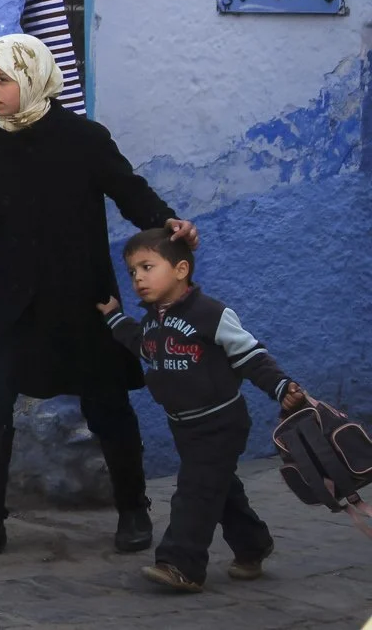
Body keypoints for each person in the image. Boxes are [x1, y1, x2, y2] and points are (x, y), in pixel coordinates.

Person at [0, 34, 199, 556]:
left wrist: (165, 223)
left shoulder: (83, 138)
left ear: (33, 79)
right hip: (14, 299)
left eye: (2, 79)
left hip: (80, 295)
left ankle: (134, 510)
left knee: (105, 402)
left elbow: (128, 189)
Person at [100, 229, 304, 592]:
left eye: (147, 267)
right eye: (132, 272)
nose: (138, 278)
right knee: (219, 490)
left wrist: (280, 387)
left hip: (221, 423)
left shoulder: (212, 314)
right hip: (184, 427)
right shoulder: (151, 321)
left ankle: (181, 564)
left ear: (180, 270)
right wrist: (115, 318)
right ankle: (253, 544)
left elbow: (250, 355)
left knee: (194, 491)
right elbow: (142, 346)